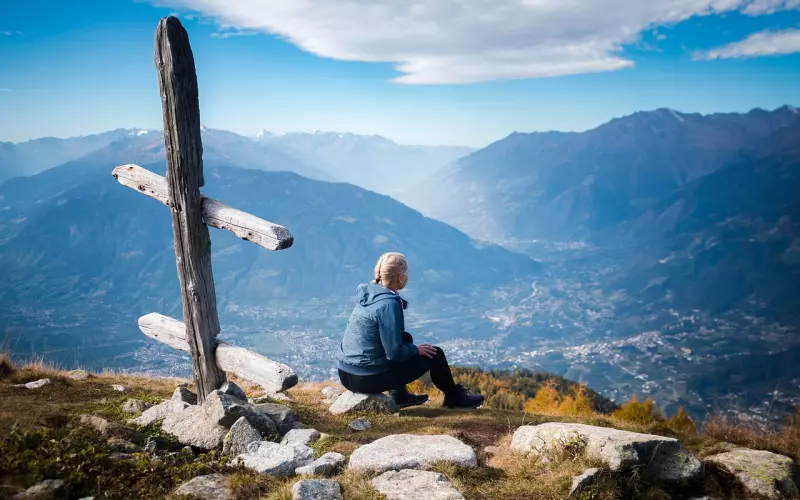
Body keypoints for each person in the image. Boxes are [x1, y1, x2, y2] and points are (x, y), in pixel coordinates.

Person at [337, 252, 485, 409]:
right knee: (435, 355)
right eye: (406, 272)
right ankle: (455, 398)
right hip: (365, 379)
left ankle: (400, 396)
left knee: (404, 338)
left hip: (345, 374)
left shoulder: (369, 294)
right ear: (401, 277)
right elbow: (394, 353)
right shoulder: (388, 304)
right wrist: (415, 350)